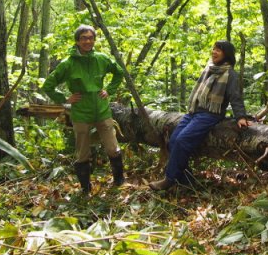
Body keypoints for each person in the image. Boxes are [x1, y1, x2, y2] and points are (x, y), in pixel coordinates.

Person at [149, 40, 250, 191]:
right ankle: (186, 180)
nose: (214, 52)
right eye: (214, 48)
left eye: (219, 50)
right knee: (173, 141)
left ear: (226, 54)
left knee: (182, 141)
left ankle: (169, 179)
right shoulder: (209, 68)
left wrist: (241, 117)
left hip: (210, 114)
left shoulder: (230, 74)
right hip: (193, 112)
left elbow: (235, 97)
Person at [42, 25, 125, 194]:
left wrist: (109, 90)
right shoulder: (68, 64)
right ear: (77, 41)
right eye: (83, 38)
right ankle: (85, 189)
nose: (87, 41)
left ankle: (119, 182)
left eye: (90, 38)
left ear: (94, 40)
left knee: (113, 148)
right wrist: (65, 99)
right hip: (80, 112)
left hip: (102, 110)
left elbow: (119, 72)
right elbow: (48, 85)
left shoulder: (101, 58)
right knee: (82, 154)